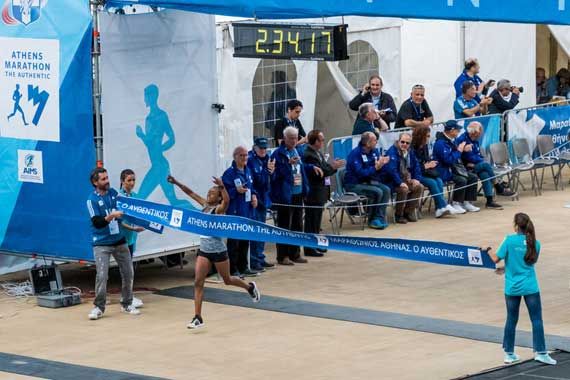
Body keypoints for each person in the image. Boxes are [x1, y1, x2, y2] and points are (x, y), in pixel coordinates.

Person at [167, 175, 261, 329]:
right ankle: (198, 317)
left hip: (219, 252)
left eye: (212, 193)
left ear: (218, 199)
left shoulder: (218, 210)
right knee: (198, 282)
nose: (208, 195)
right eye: (208, 193)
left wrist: (222, 186)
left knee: (227, 280)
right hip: (204, 251)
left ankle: (250, 287)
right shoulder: (204, 205)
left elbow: (227, 201)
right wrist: (176, 182)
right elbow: (190, 193)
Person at [486, 213, 557, 366]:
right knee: (536, 319)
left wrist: (487, 250)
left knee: (511, 319)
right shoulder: (535, 244)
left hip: (512, 288)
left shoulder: (509, 240)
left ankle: (509, 353)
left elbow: (494, 259)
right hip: (530, 286)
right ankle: (541, 352)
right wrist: (507, 268)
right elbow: (529, 263)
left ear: (515, 225)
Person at [86, 167, 139, 320]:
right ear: (95, 182)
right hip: (101, 243)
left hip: (119, 240)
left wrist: (136, 225)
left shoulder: (114, 193)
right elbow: (97, 223)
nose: (107, 181)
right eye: (103, 179)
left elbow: (125, 212)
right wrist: (111, 216)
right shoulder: (92, 200)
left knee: (128, 272)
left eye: (107, 177)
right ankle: (99, 307)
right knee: (102, 275)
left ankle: (127, 303)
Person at [270, 126, 309, 265]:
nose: (294, 141)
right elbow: (275, 175)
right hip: (285, 195)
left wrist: (305, 189)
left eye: (296, 138)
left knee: (298, 224)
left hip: (298, 193)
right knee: (284, 225)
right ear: (284, 138)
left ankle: (295, 253)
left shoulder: (296, 151)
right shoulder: (278, 154)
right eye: (291, 138)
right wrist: (287, 163)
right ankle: (282, 255)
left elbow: (301, 171)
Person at [303, 130, 345, 256]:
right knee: (312, 222)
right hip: (313, 192)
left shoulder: (317, 153)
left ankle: (315, 244)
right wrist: (333, 167)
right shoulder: (309, 155)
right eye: (321, 140)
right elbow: (321, 172)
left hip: (320, 192)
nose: (323, 142)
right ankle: (309, 248)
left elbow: (325, 167)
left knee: (317, 222)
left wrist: (332, 166)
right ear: (315, 141)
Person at [456, 122, 516, 209]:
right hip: (465, 168)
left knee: (485, 174)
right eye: (480, 132)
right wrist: (480, 161)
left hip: (475, 165)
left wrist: (479, 161)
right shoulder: (463, 140)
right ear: (474, 132)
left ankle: (489, 201)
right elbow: (469, 157)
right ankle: (498, 186)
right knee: (486, 165)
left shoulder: (474, 140)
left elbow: (477, 155)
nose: (481, 134)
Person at [222, 146, 260, 277]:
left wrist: (254, 196)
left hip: (247, 212)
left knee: (245, 241)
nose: (244, 158)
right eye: (241, 155)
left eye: (246, 155)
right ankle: (233, 269)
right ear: (235, 157)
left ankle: (243, 267)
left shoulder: (248, 170)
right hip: (235, 212)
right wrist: (235, 191)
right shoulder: (229, 173)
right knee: (234, 243)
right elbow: (224, 192)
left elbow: (251, 187)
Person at [344, 131, 391, 229]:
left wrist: (382, 164)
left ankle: (379, 218)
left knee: (386, 189)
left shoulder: (374, 151)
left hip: (368, 182)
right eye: (374, 140)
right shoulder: (355, 154)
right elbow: (360, 173)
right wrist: (376, 168)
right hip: (354, 184)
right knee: (377, 192)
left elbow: (378, 170)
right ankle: (372, 220)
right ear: (367, 143)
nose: (376, 142)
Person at [411, 126, 460, 218]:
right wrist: (424, 166)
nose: (429, 138)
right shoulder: (412, 148)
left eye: (429, 136)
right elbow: (411, 166)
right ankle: (444, 205)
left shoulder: (424, 146)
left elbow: (425, 159)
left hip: (425, 172)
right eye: (427, 136)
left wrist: (430, 162)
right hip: (414, 175)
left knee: (439, 180)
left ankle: (439, 208)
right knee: (432, 182)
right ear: (420, 136)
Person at [432, 120, 480, 213]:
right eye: (457, 130)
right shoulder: (440, 143)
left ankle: (466, 202)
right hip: (444, 172)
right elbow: (448, 160)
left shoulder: (450, 140)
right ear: (451, 130)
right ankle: (456, 203)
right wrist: (459, 150)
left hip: (453, 170)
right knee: (462, 180)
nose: (458, 132)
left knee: (473, 177)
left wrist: (462, 150)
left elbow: (454, 155)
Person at [382, 132, 424, 224]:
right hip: (391, 181)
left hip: (405, 179)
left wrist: (416, 178)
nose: (404, 144)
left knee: (419, 186)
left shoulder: (410, 151)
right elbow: (391, 171)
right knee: (403, 189)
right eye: (402, 142)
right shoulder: (392, 152)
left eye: (407, 143)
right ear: (398, 141)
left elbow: (416, 166)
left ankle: (408, 212)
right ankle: (398, 215)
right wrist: (400, 182)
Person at [247, 137, 276, 270]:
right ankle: (254, 260)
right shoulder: (251, 160)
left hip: (264, 199)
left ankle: (260, 257)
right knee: (255, 231)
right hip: (255, 200)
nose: (263, 150)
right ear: (255, 147)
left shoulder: (267, 159)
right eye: (261, 148)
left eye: (265, 148)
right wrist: (267, 171)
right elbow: (258, 181)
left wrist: (271, 171)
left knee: (262, 230)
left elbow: (271, 179)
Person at [119, 169, 145, 309]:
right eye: (129, 180)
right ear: (122, 181)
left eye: (134, 180)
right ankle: (127, 298)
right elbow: (119, 221)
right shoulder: (119, 197)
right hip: (121, 238)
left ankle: (128, 296)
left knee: (129, 269)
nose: (132, 183)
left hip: (132, 238)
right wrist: (133, 229)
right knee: (126, 269)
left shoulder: (135, 196)